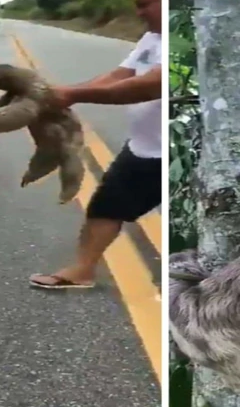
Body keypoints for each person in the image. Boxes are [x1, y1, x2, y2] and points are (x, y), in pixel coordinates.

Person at [28, 0, 162, 289]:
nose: (139, 13)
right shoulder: (152, 38)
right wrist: (69, 94)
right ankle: (83, 270)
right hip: (142, 148)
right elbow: (119, 76)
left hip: (174, 151)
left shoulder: (188, 38)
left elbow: (148, 86)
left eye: (145, 5)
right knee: (106, 206)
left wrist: (74, 95)